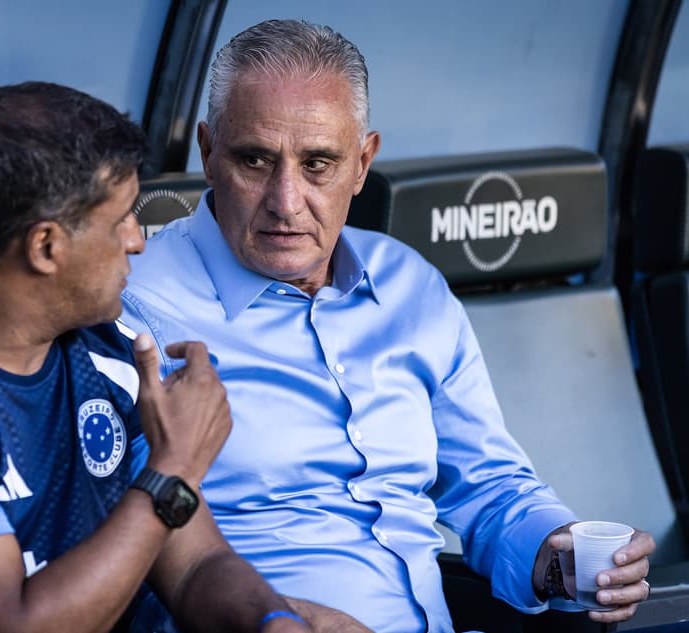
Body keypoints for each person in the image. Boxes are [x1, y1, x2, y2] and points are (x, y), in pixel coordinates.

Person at [0, 81, 365, 633]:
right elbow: (12, 625)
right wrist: (174, 469)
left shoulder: (109, 354)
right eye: (121, 218)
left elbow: (196, 565)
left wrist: (272, 622)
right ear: (46, 246)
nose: (139, 238)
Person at [120, 19, 656, 633]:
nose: (286, 200)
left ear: (363, 163)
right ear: (209, 153)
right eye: (255, 160)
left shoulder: (411, 287)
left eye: (318, 164)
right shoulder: (138, 307)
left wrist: (558, 554)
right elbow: (149, 535)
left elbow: (490, 485)